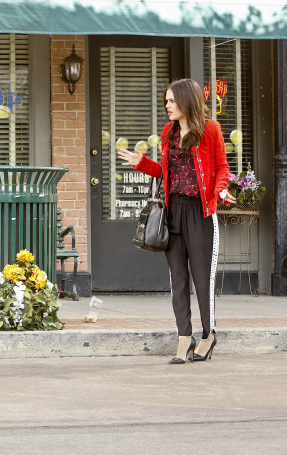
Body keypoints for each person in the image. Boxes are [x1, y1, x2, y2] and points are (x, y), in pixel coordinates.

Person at [118, 78, 235, 364]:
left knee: (202, 279)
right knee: (178, 281)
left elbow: (221, 166)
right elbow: (167, 173)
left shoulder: (211, 130)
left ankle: (208, 335)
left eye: (171, 101)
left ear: (187, 101)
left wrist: (221, 189)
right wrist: (142, 163)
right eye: (166, 101)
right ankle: (185, 337)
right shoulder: (168, 132)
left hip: (202, 213)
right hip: (174, 213)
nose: (167, 106)